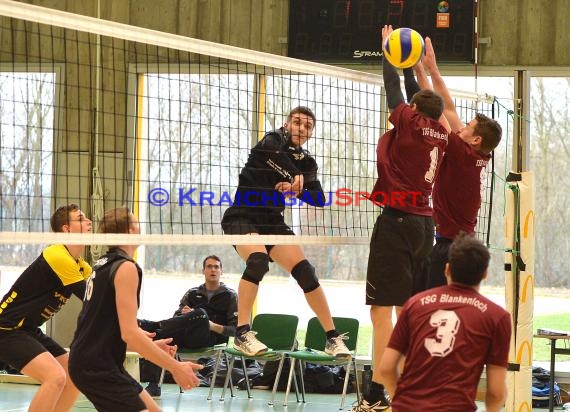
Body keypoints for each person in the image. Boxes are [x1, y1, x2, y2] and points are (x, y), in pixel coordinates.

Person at [352, 26, 451, 412]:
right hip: (424, 225)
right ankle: (410, 391)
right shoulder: (440, 132)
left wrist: (388, 53)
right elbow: (411, 94)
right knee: (405, 314)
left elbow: (393, 89)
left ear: (415, 110)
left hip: (397, 223)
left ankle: (376, 394)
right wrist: (410, 64)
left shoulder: (409, 124)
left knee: (381, 312)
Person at [221, 106, 350, 358]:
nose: (302, 128)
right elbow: (270, 152)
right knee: (257, 262)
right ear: (287, 124)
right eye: (298, 123)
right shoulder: (272, 140)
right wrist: (295, 175)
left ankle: (332, 338)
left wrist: (297, 189)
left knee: (306, 272)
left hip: (272, 222)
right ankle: (242, 333)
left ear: (311, 133)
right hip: (242, 216)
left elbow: (319, 198)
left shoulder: (307, 161)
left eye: (308, 126)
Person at [68, 207, 202, 412]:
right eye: (137, 223)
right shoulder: (125, 268)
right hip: (96, 368)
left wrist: (150, 345)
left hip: (99, 362)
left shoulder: (102, 264)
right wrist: (176, 367)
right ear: (130, 231)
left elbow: (107, 323)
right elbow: (128, 332)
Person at [378, 232, 511, 411]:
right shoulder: (497, 316)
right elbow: (496, 393)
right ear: (485, 273)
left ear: (447, 269)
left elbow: (386, 368)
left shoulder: (414, 304)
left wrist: (400, 402)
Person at [419, 36, 503, 290]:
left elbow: (437, 111)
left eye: (468, 127)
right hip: (462, 244)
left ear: (475, 139)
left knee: (433, 304)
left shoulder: (462, 154)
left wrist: (418, 70)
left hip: (449, 248)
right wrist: (433, 69)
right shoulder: (475, 154)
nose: (462, 125)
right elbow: (451, 109)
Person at [0, 204, 92, 412]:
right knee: (55, 377)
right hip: (7, 329)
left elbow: (104, 303)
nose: (89, 222)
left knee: (74, 376)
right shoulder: (57, 255)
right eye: (81, 218)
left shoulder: (80, 266)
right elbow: (94, 302)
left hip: (27, 330)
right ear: (67, 229)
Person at [139, 254, 237, 397]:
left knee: (201, 314)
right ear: (203, 271)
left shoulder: (230, 296)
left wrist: (209, 324)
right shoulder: (192, 293)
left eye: (216, 267)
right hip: (187, 335)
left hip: (210, 339)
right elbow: (175, 320)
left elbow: (234, 330)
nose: (213, 270)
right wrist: (185, 315)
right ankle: (154, 385)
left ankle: (153, 325)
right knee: (160, 337)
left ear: (222, 272)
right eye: (209, 267)